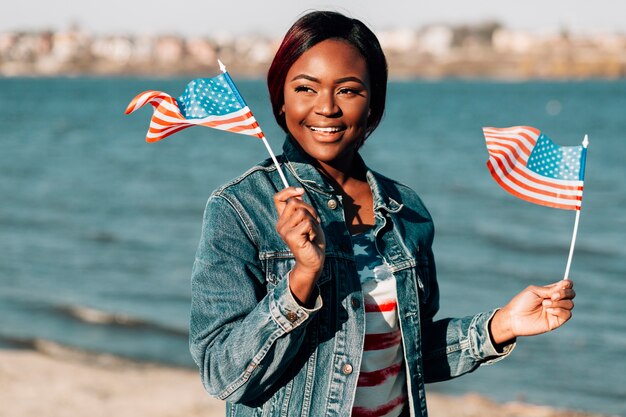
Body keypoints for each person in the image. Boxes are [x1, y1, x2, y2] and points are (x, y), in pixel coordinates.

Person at [189, 10, 575, 417]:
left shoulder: (406, 209)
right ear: (281, 101)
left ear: (373, 104)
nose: (326, 108)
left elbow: (409, 351)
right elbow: (222, 375)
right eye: (306, 88)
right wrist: (301, 280)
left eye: (348, 91)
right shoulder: (239, 208)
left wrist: (502, 325)